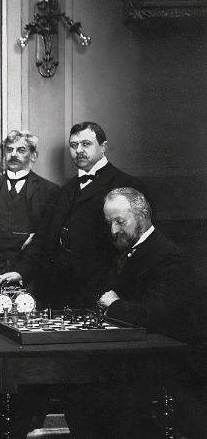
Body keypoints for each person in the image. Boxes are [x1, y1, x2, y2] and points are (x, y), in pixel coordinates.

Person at [91, 187, 207, 439]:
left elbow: (155, 316)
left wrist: (113, 305)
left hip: (167, 360)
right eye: (109, 223)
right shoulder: (129, 250)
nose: (113, 230)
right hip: (136, 353)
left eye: (120, 221)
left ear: (142, 215)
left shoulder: (166, 256)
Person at [29, 121, 145, 308]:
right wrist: (20, 271)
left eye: (86, 144)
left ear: (103, 147)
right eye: (74, 145)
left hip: (101, 291)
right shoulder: (63, 190)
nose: (79, 150)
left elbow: (137, 243)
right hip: (59, 293)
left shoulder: (127, 185)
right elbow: (43, 236)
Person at [0, 130, 58, 297]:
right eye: (9, 150)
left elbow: (48, 238)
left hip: (31, 274)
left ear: (34, 156)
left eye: (21, 150)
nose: (14, 154)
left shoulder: (49, 191)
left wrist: (24, 271)